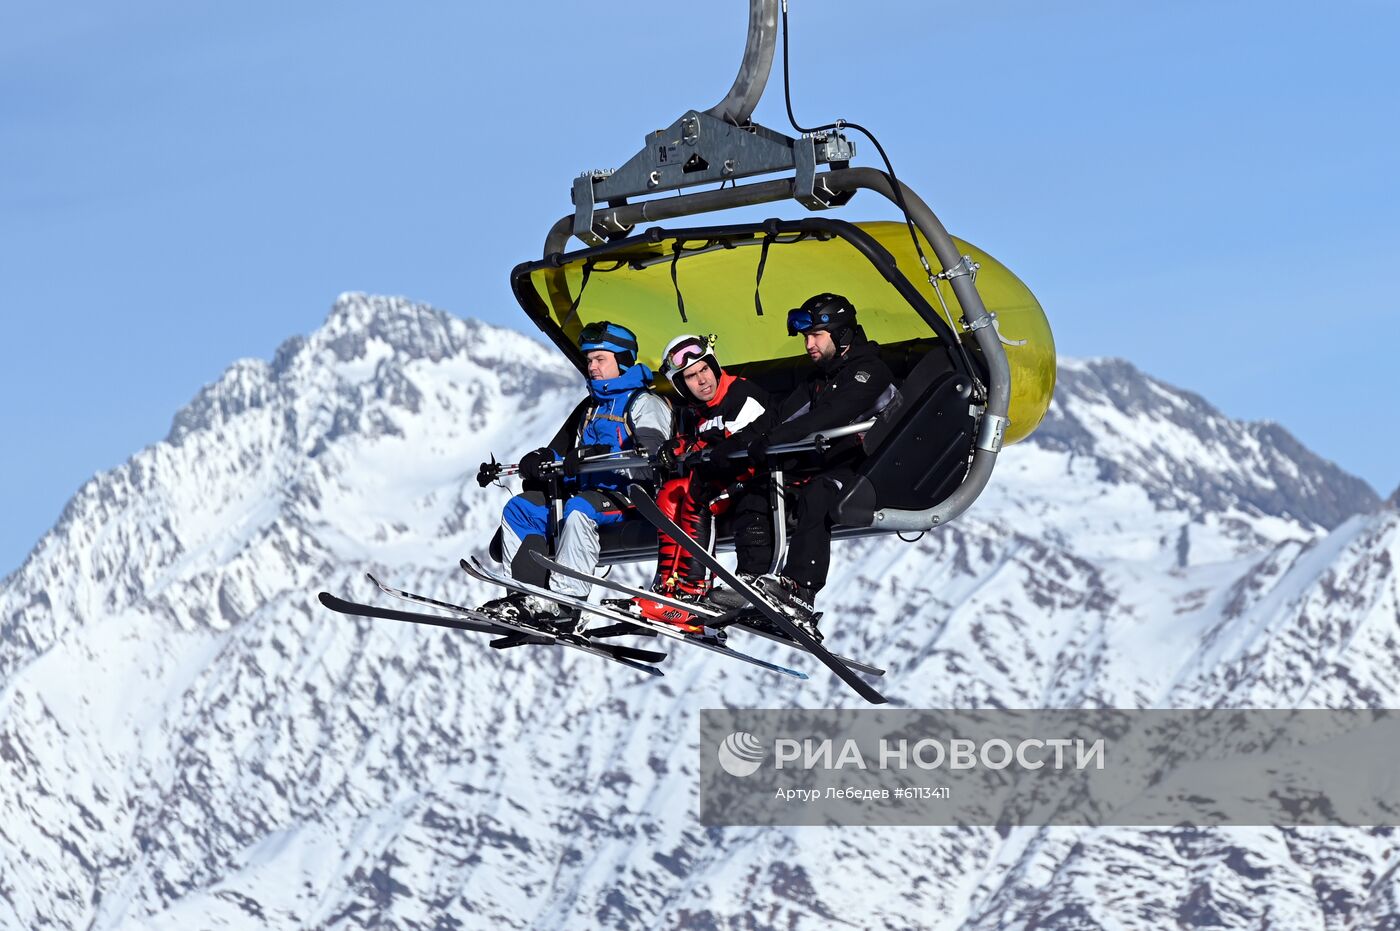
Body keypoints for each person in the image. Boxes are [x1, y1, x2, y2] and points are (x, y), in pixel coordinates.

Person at [708, 293, 896, 623]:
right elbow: (780, 416)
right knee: (756, 488)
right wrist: (735, 445)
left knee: (819, 492)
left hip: (874, 466)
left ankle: (800, 590)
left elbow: (830, 416)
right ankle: (752, 581)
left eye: (815, 336)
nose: (808, 344)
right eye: (806, 337)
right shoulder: (820, 378)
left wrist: (770, 441)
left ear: (842, 335)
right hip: (834, 461)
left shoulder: (870, 373)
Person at [478, 321, 672, 627]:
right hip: (587, 495)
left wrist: (596, 456)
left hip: (628, 497)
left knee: (579, 507)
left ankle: (565, 603)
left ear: (622, 360)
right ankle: (525, 598)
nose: (591, 367)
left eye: (600, 360)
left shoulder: (645, 404)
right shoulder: (591, 406)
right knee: (521, 508)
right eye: (589, 360)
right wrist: (540, 460)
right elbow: (560, 451)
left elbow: (652, 455)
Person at [644, 334, 770, 611]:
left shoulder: (742, 394)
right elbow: (701, 442)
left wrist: (695, 447)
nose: (702, 380)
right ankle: (669, 585)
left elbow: (736, 446)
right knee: (669, 493)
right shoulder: (696, 411)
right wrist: (679, 444)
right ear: (681, 385)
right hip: (721, 480)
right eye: (691, 376)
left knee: (696, 494)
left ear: (714, 366)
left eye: (704, 369)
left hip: (755, 480)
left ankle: (693, 589)